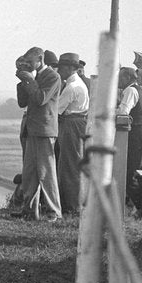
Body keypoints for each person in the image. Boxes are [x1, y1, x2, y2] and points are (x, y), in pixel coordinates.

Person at [14, 46, 61, 221]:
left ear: (40, 59)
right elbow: (23, 102)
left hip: (44, 130)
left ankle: (53, 211)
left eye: (30, 62)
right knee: (30, 172)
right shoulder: (36, 76)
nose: (28, 65)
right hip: (33, 129)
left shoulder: (52, 77)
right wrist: (23, 80)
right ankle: (28, 209)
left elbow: (40, 99)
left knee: (46, 173)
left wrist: (28, 79)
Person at [117, 66, 142, 217]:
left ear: (126, 78)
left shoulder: (131, 91)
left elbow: (122, 113)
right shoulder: (140, 89)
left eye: (120, 78)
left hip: (138, 138)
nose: (118, 81)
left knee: (130, 176)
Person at [55, 52, 89, 214]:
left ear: (69, 68)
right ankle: (73, 204)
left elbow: (57, 111)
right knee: (72, 163)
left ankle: (71, 205)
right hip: (78, 123)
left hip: (71, 124)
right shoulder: (78, 83)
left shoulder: (71, 87)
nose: (59, 70)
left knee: (69, 165)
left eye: (61, 67)